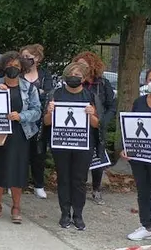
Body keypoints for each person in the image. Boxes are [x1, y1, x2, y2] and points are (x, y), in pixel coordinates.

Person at [0, 51, 41, 225]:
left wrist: (21, 116)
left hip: (19, 134)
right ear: (3, 67)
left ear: (22, 68)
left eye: (16, 66)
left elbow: (37, 111)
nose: (13, 68)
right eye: (9, 65)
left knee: (18, 170)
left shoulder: (29, 88)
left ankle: (16, 207)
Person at [44, 62, 99, 230]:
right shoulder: (56, 94)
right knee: (64, 178)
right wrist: (50, 112)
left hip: (83, 144)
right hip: (61, 143)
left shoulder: (90, 96)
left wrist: (91, 114)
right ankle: (65, 213)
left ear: (83, 79)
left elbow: (97, 124)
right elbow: (46, 122)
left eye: (77, 75)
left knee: (79, 180)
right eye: (71, 74)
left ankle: (78, 214)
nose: (73, 78)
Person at [122, 67, 151, 242]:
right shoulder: (139, 102)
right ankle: (146, 227)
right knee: (143, 191)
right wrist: (127, 148)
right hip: (140, 153)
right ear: (146, 82)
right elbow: (132, 126)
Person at [72, 51, 116, 205]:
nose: (81, 67)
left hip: (97, 126)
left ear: (93, 66)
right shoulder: (75, 82)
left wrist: (103, 121)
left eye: (84, 65)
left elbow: (111, 106)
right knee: (80, 160)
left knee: (98, 159)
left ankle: (96, 189)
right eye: (78, 64)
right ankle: (79, 188)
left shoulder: (103, 83)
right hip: (78, 127)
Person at [20, 44, 54, 199]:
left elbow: (48, 93)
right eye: (23, 57)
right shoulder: (19, 74)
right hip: (21, 118)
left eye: (28, 57)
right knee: (20, 153)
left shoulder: (45, 75)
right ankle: (17, 183)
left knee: (39, 153)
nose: (25, 60)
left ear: (37, 58)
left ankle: (38, 185)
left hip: (40, 120)